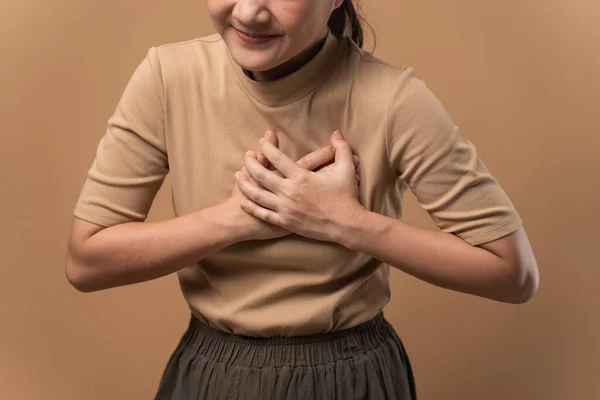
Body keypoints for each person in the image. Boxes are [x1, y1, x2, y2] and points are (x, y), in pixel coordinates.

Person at [65, 0, 540, 398]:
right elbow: (86, 262)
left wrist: (342, 221)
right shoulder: (168, 77)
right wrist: (238, 218)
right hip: (211, 374)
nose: (249, 11)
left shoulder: (395, 99)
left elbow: (513, 274)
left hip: (352, 377)